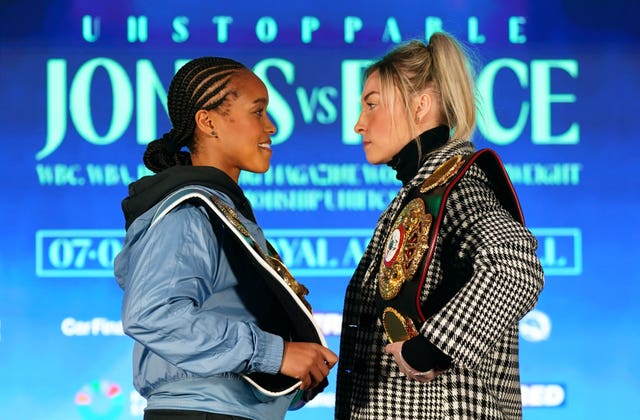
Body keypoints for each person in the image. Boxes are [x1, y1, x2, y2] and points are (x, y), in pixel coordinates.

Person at [113, 56, 337, 420]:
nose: (272, 126)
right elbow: (152, 313)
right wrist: (276, 354)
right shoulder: (189, 214)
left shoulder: (222, 212)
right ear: (208, 122)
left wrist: (290, 373)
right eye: (258, 112)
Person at [335, 32, 545, 419]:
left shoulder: (456, 187)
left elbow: (515, 270)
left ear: (421, 105)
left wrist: (432, 347)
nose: (359, 125)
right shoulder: (424, 192)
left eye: (372, 105)